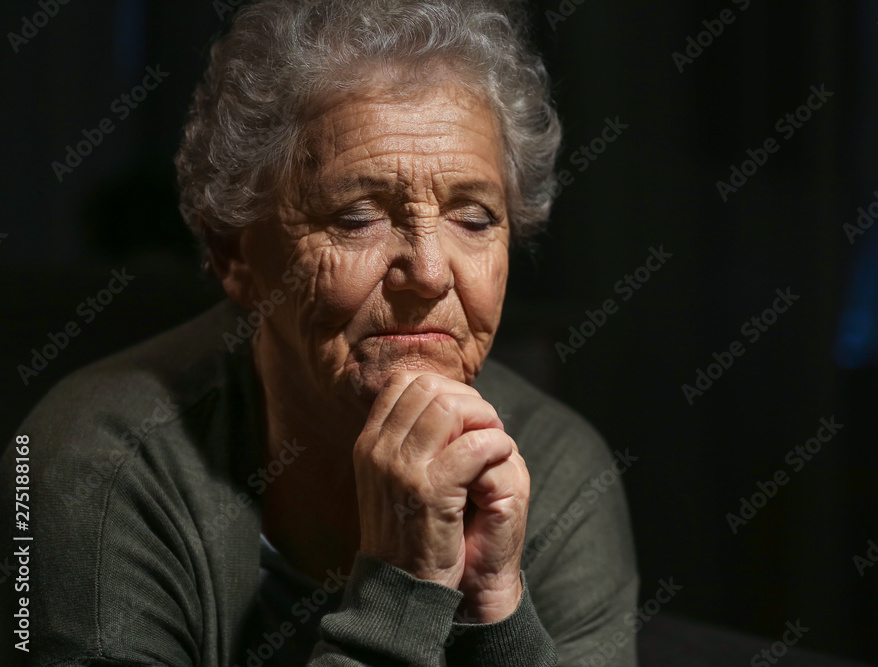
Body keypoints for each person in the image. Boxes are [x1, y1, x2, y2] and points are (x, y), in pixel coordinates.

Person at [1, 1, 638, 664]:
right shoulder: (93, 468)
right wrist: (405, 589)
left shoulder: (560, 473)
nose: (425, 272)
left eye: (474, 219)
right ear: (234, 255)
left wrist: (496, 609)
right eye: (357, 216)